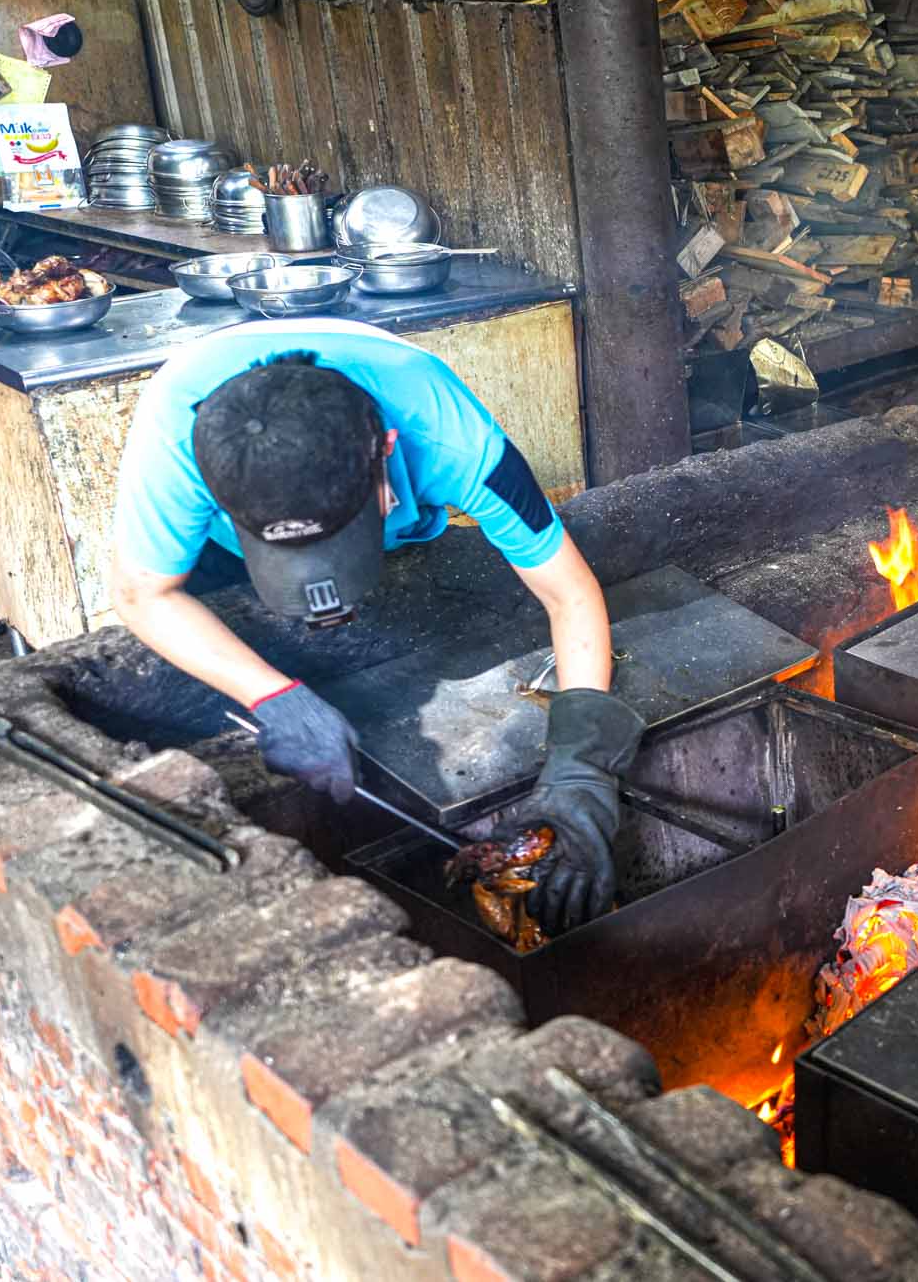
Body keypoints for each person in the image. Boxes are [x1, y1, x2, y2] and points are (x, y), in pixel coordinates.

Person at [108, 318, 638, 932]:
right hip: (233, 542)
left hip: (396, 492)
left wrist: (582, 762)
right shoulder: (176, 440)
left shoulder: (452, 438)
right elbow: (143, 595)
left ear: (387, 448)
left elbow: (568, 592)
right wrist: (272, 697)